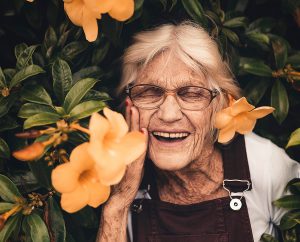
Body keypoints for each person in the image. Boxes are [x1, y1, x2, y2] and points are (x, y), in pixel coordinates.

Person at [96, 21, 300, 242]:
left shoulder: (264, 165)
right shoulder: (124, 176)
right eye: (150, 92)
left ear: (219, 104)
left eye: (191, 94)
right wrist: (118, 203)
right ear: (130, 106)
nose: (168, 114)